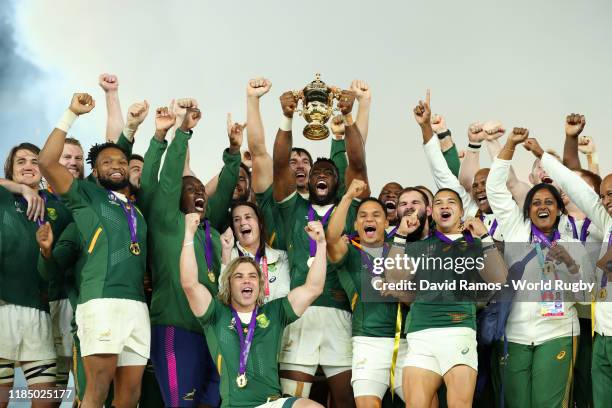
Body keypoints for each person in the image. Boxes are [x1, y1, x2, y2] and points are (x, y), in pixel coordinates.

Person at [39, 93, 149, 407]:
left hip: (136, 306)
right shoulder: (87, 196)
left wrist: (132, 128)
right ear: (95, 173)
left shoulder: (135, 210)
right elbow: (46, 162)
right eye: (106, 163)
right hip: (101, 301)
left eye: (121, 162)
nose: (116, 166)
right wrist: (71, 113)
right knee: (97, 390)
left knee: (130, 397)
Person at [272, 86, 369, 406]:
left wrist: (348, 115)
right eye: (316, 173)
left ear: (338, 181)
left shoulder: (350, 207)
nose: (322, 176)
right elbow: (279, 163)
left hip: (341, 313)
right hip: (301, 313)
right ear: (308, 181)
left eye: (329, 172)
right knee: (295, 402)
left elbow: (357, 159)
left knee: (345, 401)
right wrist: (287, 117)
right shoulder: (293, 207)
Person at [141, 99, 241, 408]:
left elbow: (224, 189)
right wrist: (182, 131)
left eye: (201, 190)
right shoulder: (167, 221)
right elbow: (169, 177)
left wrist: (234, 153)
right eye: (191, 189)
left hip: (211, 333)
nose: (198, 192)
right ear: (175, 197)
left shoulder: (210, 232)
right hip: (175, 329)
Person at [486, 127, 594, 408]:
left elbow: (584, 296)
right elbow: (495, 188)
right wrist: (509, 144)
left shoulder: (571, 243)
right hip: (515, 334)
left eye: (549, 202)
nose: (542, 207)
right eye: (535, 203)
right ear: (528, 210)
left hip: (558, 332)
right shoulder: (516, 230)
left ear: (559, 208)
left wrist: (570, 265)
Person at [180, 213, 327, 408]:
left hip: (272, 403)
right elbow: (190, 284)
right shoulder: (215, 314)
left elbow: (313, 288)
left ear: (259, 284)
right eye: (239, 276)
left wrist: (322, 244)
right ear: (229, 284)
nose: (246, 280)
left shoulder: (275, 312)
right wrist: (189, 236)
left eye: (252, 276)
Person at [525, 137, 612, 408]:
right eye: (604, 195)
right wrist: (544, 155)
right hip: (602, 335)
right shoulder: (607, 223)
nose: (606, 201)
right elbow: (579, 189)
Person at [0, 142, 72, 408]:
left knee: (46, 401)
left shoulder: (59, 205)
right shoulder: (3, 196)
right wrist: (19, 188)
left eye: (34, 161)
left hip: (40, 311)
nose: (28, 166)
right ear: (10, 170)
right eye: (21, 162)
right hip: (3, 309)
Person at [327, 179, 408, 406]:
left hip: (404, 343)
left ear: (386, 222)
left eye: (376, 215)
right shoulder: (349, 252)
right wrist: (347, 197)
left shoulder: (400, 249)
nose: (369, 219)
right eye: (362, 215)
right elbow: (332, 238)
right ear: (355, 224)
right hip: (367, 343)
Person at [220, 201, 291, 302]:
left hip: (272, 316)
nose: (242, 223)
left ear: (260, 224)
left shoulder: (281, 257)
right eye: (236, 220)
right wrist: (226, 251)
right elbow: (223, 295)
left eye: (248, 217)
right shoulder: (227, 257)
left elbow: (282, 299)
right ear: (233, 230)